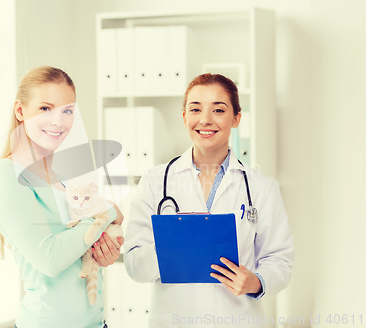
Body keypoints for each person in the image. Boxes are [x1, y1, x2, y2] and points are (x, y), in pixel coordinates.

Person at [124, 73, 294, 328]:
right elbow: (134, 265)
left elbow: (280, 260)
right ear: (184, 117)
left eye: (218, 110)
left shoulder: (261, 187)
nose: (205, 120)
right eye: (195, 109)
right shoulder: (155, 181)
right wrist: (168, 245)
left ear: (236, 118)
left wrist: (256, 281)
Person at [0, 66, 124, 328]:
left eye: (67, 111)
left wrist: (103, 252)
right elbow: (49, 259)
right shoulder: (7, 174)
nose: (58, 122)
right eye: (45, 108)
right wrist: (106, 213)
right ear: (20, 111)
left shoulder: (65, 173)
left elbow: (80, 243)